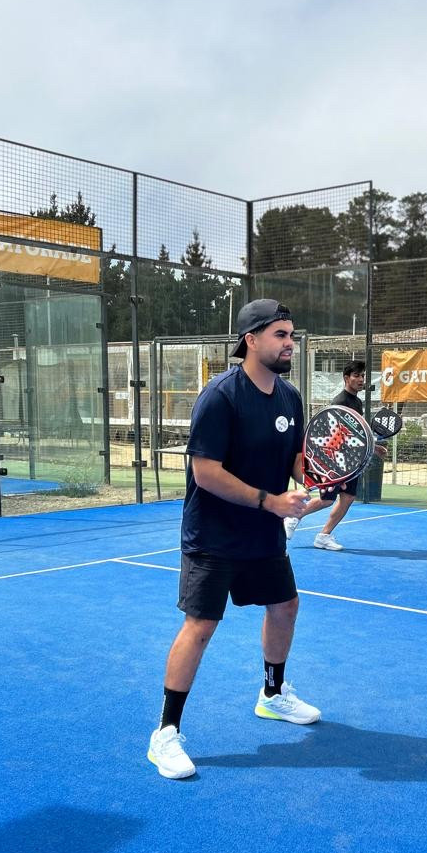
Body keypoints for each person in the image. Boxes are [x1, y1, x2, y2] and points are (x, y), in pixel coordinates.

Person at [147, 299, 320, 780]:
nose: (289, 343)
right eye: (280, 335)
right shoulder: (220, 396)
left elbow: (294, 457)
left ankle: (272, 695)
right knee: (200, 626)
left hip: (263, 534)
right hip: (214, 535)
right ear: (251, 339)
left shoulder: (290, 397)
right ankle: (165, 733)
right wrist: (271, 502)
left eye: (291, 335)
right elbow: (205, 473)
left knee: (285, 607)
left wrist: (310, 476)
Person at [283, 360, 387, 551]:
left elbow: (357, 434)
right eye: (356, 375)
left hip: (351, 461)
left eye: (363, 376)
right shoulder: (340, 402)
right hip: (336, 461)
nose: (361, 379)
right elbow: (338, 436)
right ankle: (294, 516)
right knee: (327, 500)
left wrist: (373, 447)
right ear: (346, 378)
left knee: (348, 498)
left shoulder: (357, 402)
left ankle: (324, 536)